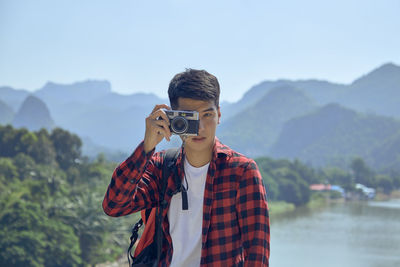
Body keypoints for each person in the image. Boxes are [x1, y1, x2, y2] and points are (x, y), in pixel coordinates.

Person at [102, 69, 270, 266]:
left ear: (219, 115)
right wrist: (147, 147)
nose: (200, 127)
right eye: (190, 118)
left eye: (207, 115)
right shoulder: (161, 167)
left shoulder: (242, 172)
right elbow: (114, 205)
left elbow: (257, 255)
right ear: (174, 120)